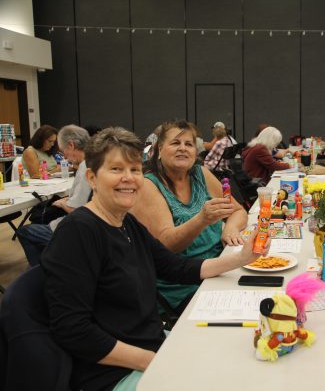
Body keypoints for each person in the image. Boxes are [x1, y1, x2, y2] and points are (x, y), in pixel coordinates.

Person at [42, 127, 262, 391]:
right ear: (91, 178)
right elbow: (73, 330)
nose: (129, 179)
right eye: (116, 169)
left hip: (153, 345)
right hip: (114, 374)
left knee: (237, 362)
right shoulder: (78, 233)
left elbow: (175, 266)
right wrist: (157, 361)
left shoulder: (127, 223)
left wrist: (243, 258)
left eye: (135, 170)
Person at [131, 120, 248, 313]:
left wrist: (230, 228)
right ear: (160, 149)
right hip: (184, 284)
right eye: (175, 143)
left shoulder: (200, 174)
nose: (183, 149)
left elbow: (237, 211)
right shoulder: (149, 185)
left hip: (221, 265)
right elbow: (167, 245)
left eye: (189, 144)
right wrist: (202, 219)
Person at [16, 125, 92, 266]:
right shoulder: (95, 163)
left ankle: (43, 272)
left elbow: (77, 210)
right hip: (87, 225)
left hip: (77, 228)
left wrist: (64, 203)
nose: (65, 157)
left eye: (64, 152)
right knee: (47, 214)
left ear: (71, 145)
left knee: (25, 231)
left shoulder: (84, 169)